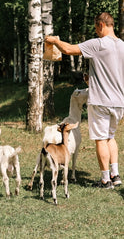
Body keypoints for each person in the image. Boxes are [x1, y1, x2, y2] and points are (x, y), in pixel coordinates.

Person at [45, 12, 124, 189]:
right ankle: (115, 175)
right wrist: (94, 80)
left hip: (101, 101)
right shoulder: (122, 46)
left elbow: (68, 49)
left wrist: (54, 41)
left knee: (101, 139)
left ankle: (105, 180)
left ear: (101, 25)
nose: (96, 32)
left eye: (96, 28)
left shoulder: (98, 44)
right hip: (119, 101)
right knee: (111, 137)